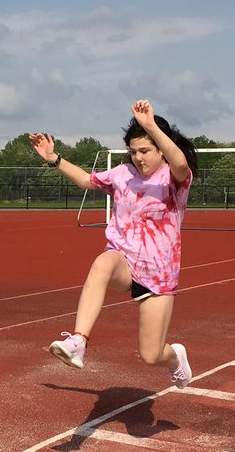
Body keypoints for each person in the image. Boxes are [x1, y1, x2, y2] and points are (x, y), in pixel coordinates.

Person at [31, 99, 197, 389]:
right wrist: (54, 158)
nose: (139, 158)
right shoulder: (122, 174)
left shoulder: (173, 179)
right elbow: (85, 180)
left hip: (158, 278)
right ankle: (78, 341)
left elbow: (180, 162)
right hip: (125, 264)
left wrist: (150, 126)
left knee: (151, 354)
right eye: (133, 152)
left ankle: (175, 357)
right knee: (103, 262)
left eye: (145, 151)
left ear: (160, 147)